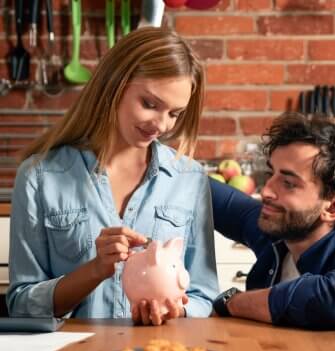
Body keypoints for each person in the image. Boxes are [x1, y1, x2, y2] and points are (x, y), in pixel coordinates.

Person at [7, 27, 219, 325]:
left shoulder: (189, 178)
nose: (161, 124)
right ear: (114, 86)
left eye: (175, 113)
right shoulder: (39, 176)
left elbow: (204, 296)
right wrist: (94, 270)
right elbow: (21, 304)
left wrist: (177, 310)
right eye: (150, 104)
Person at [210, 112, 335, 330]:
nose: (266, 191)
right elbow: (200, 189)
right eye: (270, 174)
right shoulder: (279, 229)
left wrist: (232, 302)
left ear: (332, 206)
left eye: (288, 183)